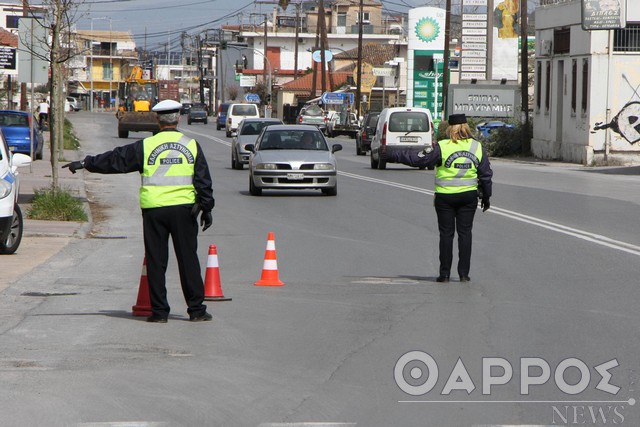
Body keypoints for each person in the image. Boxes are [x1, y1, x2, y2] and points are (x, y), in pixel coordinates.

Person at [62, 99, 215, 323]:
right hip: (184, 210)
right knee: (188, 259)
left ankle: (160, 313)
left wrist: (86, 163)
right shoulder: (191, 145)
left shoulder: (146, 147)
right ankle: (197, 311)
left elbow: (116, 160)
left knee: (156, 261)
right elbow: (203, 180)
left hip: (154, 210)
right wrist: (207, 207)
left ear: (157, 119)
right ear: (178, 118)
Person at [382, 113, 493, 283]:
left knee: (446, 235)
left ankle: (445, 274)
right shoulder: (477, 147)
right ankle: (464, 274)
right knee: (465, 234)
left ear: (450, 128)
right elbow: (485, 175)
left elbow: (419, 160)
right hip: (468, 197)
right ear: (466, 128)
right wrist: (486, 196)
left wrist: (392, 155)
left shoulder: (442, 147)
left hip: (445, 197)